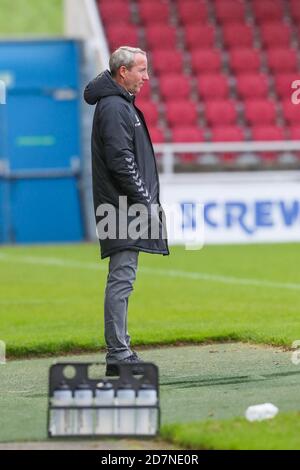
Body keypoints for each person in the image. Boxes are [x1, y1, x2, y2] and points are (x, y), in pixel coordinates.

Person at [84, 46, 169, 376]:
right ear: (123, 72)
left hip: (121, 205)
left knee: (123, 279)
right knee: (122, 280)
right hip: (120, 208)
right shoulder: (115, 107)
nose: (146, 77)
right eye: (141, 70)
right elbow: (121, 162)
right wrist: (145, 201)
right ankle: (118, 353)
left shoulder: (119, 104)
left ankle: (120, 350)